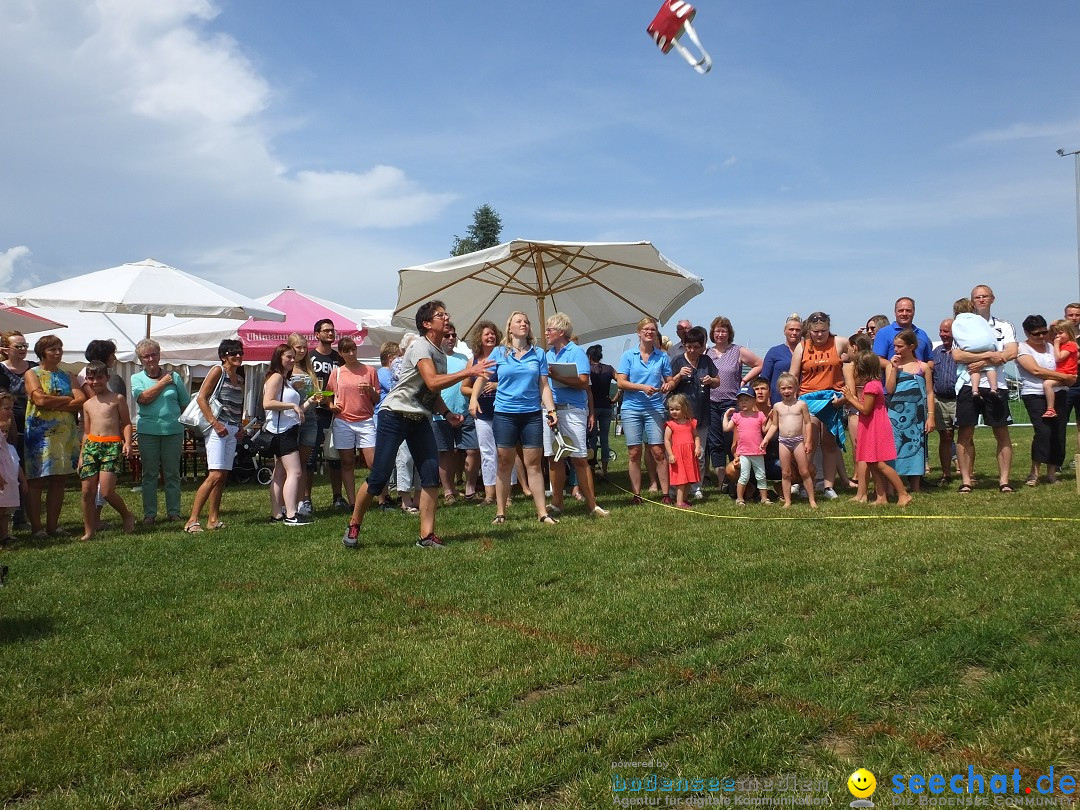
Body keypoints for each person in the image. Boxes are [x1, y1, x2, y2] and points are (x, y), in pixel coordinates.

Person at [343, 301, 493, 549]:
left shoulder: (440, 354)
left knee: (430, 475)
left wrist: (446, 414)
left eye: (446, 314)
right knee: (379, 477)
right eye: (440, 315)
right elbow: (433, 382)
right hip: (395, 415)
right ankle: (354, 523)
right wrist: (469, 371)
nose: (446, 318)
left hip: (419, 419)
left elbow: (430, 395)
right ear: (427, 324)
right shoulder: (420, 346)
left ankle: (426, 536)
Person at [490, 311, 559, 525]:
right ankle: (501, 512)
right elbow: (484, 378)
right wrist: (473, 399)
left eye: (527, 322)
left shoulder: (538, 354)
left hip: (531, 414)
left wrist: (551, 410)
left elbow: (544, 386)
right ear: (509, 327)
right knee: (504, 462)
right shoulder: (498, 352)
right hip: (504, 413)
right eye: (519, 321)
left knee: (534, 464)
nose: (524, 324)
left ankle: (542, 513)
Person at [952, 285, 1017, 494]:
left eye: (985, 296)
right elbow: (958, 356)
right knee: (965, 433)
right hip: (968, 384)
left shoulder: (1004, 326)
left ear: (992, 299)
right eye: (977, 297)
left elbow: (1011, 352)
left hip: (996, 385)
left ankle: (1004, 481)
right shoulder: (961, 323)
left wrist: (982, 362)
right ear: (971, 301)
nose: (981, 300)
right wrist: (988, 357)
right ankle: (966, 480)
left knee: (1002, 433)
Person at [543, 313, 608, 518]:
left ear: (561, 332)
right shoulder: (547, 354)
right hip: (551, 409)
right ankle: (557, 502)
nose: (546, 333)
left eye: (549, 330)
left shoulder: (577, 352)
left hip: (573, 409)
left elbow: (582, 381)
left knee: (579, 458)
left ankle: (592, 504)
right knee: (554, 457)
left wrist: (557, 376)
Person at [23, 335, 84, 538]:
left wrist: (54, 401)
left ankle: (53, 526)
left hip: (64, 435)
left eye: (59, 348)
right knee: (37, 480)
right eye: (52, 350)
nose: (57, 353)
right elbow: (38, 399)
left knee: (59, 480)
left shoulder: (68, 375)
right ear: (42, 353)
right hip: (40, 435)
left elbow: (81, 399)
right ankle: (36, 528)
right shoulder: (32, 373)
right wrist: (66, 400)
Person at [185, 339, 247, 533]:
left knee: (223, 476)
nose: (237, 356)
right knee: (215, 474)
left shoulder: (240, 378)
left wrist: (239, 426)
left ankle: (213, 519)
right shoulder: (218, 371)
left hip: (231, 429)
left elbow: (235, 406)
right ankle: (192, 520)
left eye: (239, 352)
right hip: (216, 428)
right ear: (223, 356)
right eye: (232, 353)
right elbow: (202, 397)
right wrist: (214, 422)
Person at [789, 312, 850, 499]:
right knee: (809, 443)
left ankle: (828, 486)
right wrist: (791, 401)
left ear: (829, 328)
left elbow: (854, 363)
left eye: (823, 331)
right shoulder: (802, 347)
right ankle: (806, 483)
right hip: (809, 399)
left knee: (830, 444)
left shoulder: (840, 342)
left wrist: (846, 396)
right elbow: (793, 376)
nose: (819, 335)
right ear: (809, 330)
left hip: (833, 397)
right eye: (815, 331)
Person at [130, 338, 189, 524]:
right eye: (146, 356)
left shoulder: (176, 377)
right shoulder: (136, 378)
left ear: (159, 355)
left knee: (172, 473)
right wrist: (163, 383)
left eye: (153, 354)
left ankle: (174, 512)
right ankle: (150, 514)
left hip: (173, 431)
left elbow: (185, 403)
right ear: (140, 359)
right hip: (148, 432)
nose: (150, 359)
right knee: (149, 474)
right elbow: (143, 398)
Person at [841, 351, 912, 507]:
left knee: (879, 464)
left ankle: (903, 493)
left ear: (862, 368)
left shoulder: (872, 386)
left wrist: (850, 398)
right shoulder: (872, 384)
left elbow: (866, 410)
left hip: (876, 426)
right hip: (869, 426)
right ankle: (881, 497)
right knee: (872, 463)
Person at [617, 317, 674, 505]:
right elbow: (621, 382)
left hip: (655, 407)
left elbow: (670, 379)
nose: (649, 332)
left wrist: (668, 384)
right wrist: (642, 387)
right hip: (631, 408)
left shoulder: (662, 357)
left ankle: (665, 494)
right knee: (634, 452)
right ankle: (636, 494)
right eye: (646, 329)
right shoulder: (628, 356)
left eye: (653, 329)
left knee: (658, 451)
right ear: (639, 333)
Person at [78, 360, 136, 541]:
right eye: (91, 378)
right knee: (87, 491)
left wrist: (127, 442)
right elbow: (87, 432)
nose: (95, 382)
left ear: (107, 378)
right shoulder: (87, 404)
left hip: (111, 445)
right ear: (87, 380)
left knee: (106, 491)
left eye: (99, 378)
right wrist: (82, 455)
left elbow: (126, 423)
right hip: (91, 446)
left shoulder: (117, 399)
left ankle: (127, 515)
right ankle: (89, 530)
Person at [1015, 315, 1075, 485]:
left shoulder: (1052, 347)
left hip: (1060, 393)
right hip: (1035, 394)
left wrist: (1066, 378)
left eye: (1044, 332)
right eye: (1036, 334)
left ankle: (1052, 473)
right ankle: (1034, 473)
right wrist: (1065, 376)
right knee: (1043, 432)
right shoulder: (1022, 348)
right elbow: (1035, 371)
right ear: (1027, 333)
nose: (1041, 337)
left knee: (1058, 433)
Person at [706, 316, 763, 491]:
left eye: (724, 331)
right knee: (715, 443)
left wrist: (744, 380)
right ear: (712, 333)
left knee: (733, 441)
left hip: (731, 402)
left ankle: (736, 477)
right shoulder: (707, 353)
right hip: (711, 402)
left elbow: (759, 364)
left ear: (729, 333)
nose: (720, 334)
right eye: (717, 331)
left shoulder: (737, 351)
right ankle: (721, 481)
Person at [262, 343, 316, 525]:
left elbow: (294, 411)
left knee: (279, 474)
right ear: (279, 358)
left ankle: (277, 513)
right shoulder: (276, 377)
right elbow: (267, 403)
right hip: (282, 432)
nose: (293, 360)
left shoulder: (285, 379)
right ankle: (291, 514)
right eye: (288, 357)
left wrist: (309, 401)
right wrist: (291, 405)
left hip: (285, 429)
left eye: (294, 357)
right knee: (295, 472)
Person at [326, 335, 379, 509]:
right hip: (343, 421)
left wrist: (370, 389)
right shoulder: (337, 372)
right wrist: (332, 405)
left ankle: (382, 498)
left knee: (374, 463)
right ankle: (353, 502)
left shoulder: (369, 370)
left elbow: (377, 398)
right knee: (347, 462)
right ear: (340, 353)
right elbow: (328, 394)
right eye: (347, 351)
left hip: (365, 420)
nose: (351, 353)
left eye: (353, 349)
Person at [668, 326, 718, 498]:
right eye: (689, 347)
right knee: (679, 453)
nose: (693, 350)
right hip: (680, 417)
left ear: (702, 346)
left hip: (701, 414)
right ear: (684, 345)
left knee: (699, 453)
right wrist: (678, 376)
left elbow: (717, 381)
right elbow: (669, 386)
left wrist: (711, 380)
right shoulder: (677, 361)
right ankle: (675, 487)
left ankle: (697, 486)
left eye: (696, 347)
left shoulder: (706, 361)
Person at [885, 329, 935, 492]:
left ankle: (916, 486)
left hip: (917, 413)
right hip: (896, 412)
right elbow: (890, 389)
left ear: (911, 346)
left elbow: (929, 392)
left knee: (917, 448)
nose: (896, 350)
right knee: (895, 446)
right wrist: (893, 369)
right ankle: (895, 485)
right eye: (894, 347)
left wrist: (931, 416)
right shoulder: (892, 366)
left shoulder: (923, 367)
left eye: (900, 346)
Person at [307, 319, 346, 511]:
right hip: (314, 413)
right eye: (326, 331)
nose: (331, 334)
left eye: (333, 331)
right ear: (317, 334)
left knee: (335, 457)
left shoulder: (339, 358)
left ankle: (338, 497)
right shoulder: (310, 357)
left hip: (335, 413)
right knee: (310, 458)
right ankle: (306, 499)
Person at [0, 332, 37, 528]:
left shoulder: (34, 368)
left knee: (28, 473)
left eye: (25, 346)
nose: (23, 350)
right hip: (9, 425)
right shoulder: (1, 370)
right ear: (5, 350)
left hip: (35, 424)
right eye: (18, 346)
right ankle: (12, 516)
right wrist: (9, 426)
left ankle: (23, 517)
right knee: (10, 469)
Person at [463, 321, 501, 506]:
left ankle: (506, 495)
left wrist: (496, 385)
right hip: (482, 412)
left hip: (503, 410)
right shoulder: (473, 361)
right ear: (480, 337)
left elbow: (513, 382)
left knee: (504, 452)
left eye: (493, 333)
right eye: (486, 334)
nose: (490, 336)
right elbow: (464, 388)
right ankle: (489, 495)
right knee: (487, 453)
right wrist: (476, 393)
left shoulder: (503, 356)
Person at [769, 373, 817, 508]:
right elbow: (774, 425)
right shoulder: (777, 406)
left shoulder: (801, 405)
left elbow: (808, 423)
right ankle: (788, 501)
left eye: (789, 387)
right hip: (783, 441)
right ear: (779, 390)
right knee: (785, 472)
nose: (786, 391)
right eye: (783, 388)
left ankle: (812, 500)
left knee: (804, 471)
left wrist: (808, 441)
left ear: (796, 388)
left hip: (798, 441)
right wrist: (766, 440)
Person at [287, 333, 320, 518]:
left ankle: (302, 502)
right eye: (298, 347)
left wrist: (318, 398)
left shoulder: (309, 369)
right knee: (289, 465)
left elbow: (314, 394)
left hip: (310, 419)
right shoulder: (286, 369)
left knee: (303, 464)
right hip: (290, 421)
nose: (301, 350)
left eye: (304, 347)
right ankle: (287, 503)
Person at [722, 385, 771, 506]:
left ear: (754, 401)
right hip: (743, 452)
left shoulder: (759, 415)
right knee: (744, 476)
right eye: (740, 400)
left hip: (757, 452)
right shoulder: (737, 416)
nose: (743, 402)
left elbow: (765, 429)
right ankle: (740, 499)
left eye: (746, 399)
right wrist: (725, 416)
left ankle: (764, 498)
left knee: (761, 476)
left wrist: (771, 418)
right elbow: (726, 428)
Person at [951, 299, 1002, 400]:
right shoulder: (979, 319)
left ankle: (974, 390)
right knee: (990, 369)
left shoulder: (957, 322)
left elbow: (958, 337)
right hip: (987, 346)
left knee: (974, 369)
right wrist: (992, 350)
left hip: (970, 348)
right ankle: (994, 388)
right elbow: (988, 333)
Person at [930, 319, 959, 486]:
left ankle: (967, 473)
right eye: (941, 331)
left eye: (946, 331)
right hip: (940, 400)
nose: (942, 334)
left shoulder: (962, 351)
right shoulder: (936, 352)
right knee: (945, 437)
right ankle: (946, 474)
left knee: (964, 438)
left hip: (958, 400)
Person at [663, 393, 701, 508]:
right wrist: (670, 454)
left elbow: (696, 436)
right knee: (681, 480)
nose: (674, 412)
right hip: (678, 455)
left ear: (684, 408)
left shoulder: (691, 423)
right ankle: (679, 502)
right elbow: (667, 440)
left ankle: (684, 499)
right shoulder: (670, 425)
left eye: (677, 409)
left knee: (689, 478)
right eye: (671, 409)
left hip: (690, 454)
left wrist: (698, 447)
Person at [585, 344, 617, 480]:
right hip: (606, 405)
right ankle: (605, 471)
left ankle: (591, 470)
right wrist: (615, 399)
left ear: (589, 357)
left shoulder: (587, 370)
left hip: (592, 406)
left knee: (591, 439)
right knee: (605, 439)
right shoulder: (609, 369)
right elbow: (621, 383)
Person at [0, 393, 26, 544]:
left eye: (11, 408)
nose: (10, 411)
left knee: (5, 510)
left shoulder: (6, 432)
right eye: (6, 408)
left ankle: (4, 535)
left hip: (8, 476)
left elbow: (14, 460)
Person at [872, 297, 933, 362]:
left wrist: (921, 368)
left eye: (908, 310)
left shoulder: (921, 334)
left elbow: (930, 360)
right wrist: (894, 367)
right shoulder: (884, 333)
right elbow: (877, 360)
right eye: (901, 310)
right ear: (895, 312)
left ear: (914, 312)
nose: (904, 314)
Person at [761, 314, 803, 403]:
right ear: (784, 331)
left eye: (797, 330)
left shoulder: (807, 352)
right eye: (791, 329)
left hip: (802, 400)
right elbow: (764, 379)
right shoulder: (774, 352)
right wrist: (767, 401)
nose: (794, 333)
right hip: (777, 401)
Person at [1043, 320, 1078, 418]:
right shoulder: (1063, 344)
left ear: (1069, 332)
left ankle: (1050, 409)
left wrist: (1056, 344)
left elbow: (1059, 358)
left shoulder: (1070, 344)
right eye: (1056, 334)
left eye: (1060, 333)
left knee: (1047, 384)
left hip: (1067, 373)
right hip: (1060, 372)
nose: (1057, 336)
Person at [1065, 303, 1080, 456]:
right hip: (1066, 385)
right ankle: (1056, 463)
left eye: (1077, 315)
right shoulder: (1060, 338)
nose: (1074, 318)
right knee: (1060, 424)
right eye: (1071, 315)